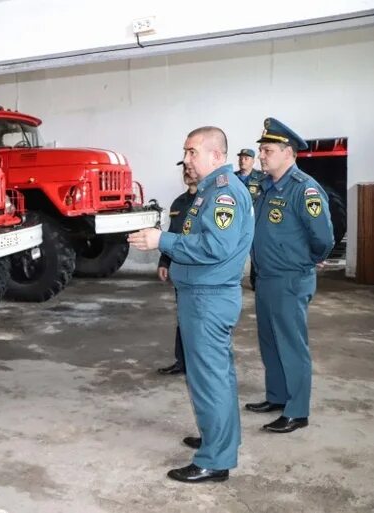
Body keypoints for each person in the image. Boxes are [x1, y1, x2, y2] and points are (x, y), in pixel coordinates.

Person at [128, 127, 254, 484]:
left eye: (192, 151)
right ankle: (221, 438)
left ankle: (214, 460)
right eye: (185, 151)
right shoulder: (211, 191)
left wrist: (161, 240)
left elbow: (215, 247)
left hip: (208, 298)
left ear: (216, 155)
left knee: (209, 379)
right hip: (204, 295)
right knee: (218, 376)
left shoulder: (224, 193)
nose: (186, 158)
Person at [244, 118, 334, 434]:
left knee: (292, 344)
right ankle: (278, 397)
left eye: (267, 150)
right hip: (267, 277)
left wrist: (310, 260)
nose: (261, 156)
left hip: (290, 279)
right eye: (261, 150)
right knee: (270, 341)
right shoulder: (268, 187)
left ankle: (297, 411)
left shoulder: (303, 188)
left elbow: (324, 237)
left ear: (288, 152)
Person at [157, 161, 197, 376]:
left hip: (199, 270)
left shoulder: (208, 202)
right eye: (185, 170)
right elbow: (171, 235)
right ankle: (181, 361)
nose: (188, 171)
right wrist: (164, 262)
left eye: (191, 167)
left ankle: (197, 363)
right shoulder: (178, 203)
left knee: (199, 319)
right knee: (182, 316)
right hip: (180, 270)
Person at [235, 148, 265, 290]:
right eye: (241, 158)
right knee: (234, 252)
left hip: (254, 222)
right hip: (235, 222)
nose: (242, 160)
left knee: (255, 253)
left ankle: (256, 282)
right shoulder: (232, 177)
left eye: (246, 158)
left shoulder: (261, 178)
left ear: (253, 161)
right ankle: (233, 279)